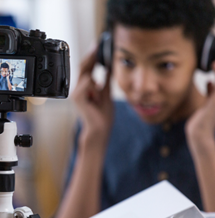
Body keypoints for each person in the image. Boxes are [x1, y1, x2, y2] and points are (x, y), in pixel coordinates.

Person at [56, 0, 215, 217]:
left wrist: (203, 142)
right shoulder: (100, 123)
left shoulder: (207, 134)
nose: (142, 87)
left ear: (204, 56)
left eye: (165, 65)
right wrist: (93, 140)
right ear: (107, 54)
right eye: (127, 62)